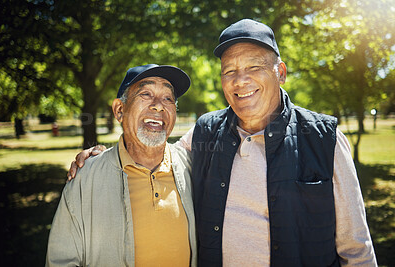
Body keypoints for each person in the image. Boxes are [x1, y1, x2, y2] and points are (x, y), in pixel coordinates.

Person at [69, 19, 377, 266]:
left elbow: (356, 248)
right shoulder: (206, 131)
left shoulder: (324, 138)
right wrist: (105, 156)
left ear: (280, 73)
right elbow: (156, 156)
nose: (240, 80)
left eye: (254, 67)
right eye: (230, 71)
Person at [46, 64, 197, 266]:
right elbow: (61, 261)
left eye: (168, 98)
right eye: (146, 94)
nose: (159, 105)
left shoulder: (193, 167)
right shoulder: (85, 178)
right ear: (119, 110)